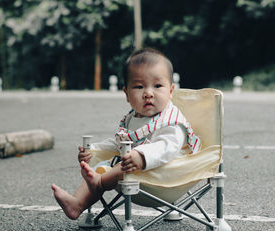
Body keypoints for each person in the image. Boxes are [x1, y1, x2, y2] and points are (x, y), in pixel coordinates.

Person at [51, 47, 201, 220]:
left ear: (171, 91)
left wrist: (141, 155)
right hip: (136, 171)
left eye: (158, 86)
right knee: (101, 168)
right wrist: (93, 150)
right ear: (126, 94)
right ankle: (77, 204)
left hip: (167, 175)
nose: (148, 93)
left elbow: (166, 147)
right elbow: (120, 141)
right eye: (139, 86)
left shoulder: (172, 121)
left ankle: (99, 183)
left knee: (116, 168)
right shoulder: (133, 117)